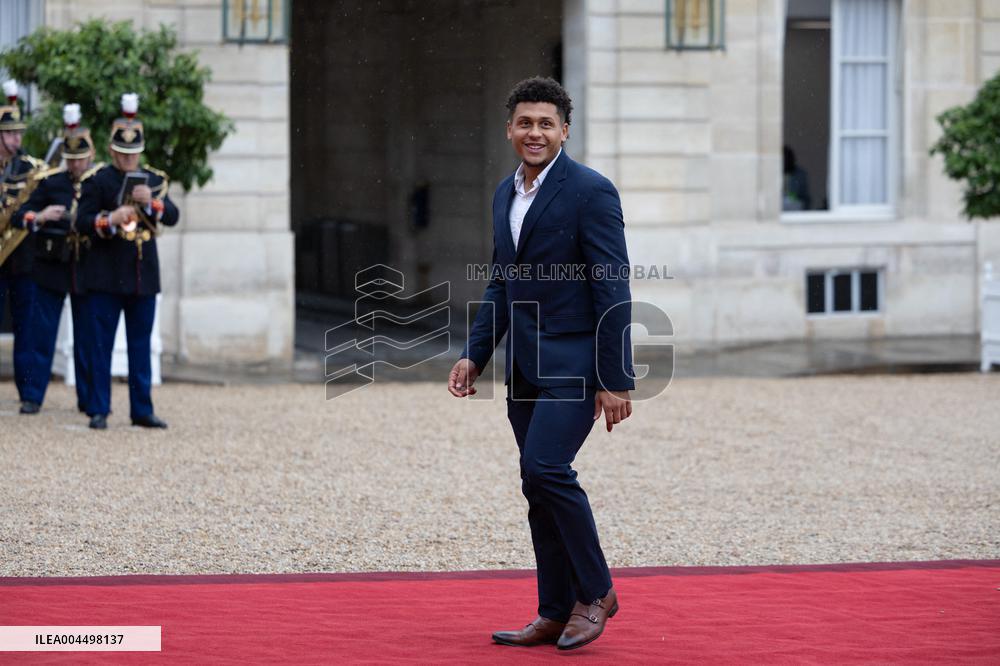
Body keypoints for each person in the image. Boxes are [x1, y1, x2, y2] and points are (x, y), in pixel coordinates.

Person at [447, 76, 635, 651]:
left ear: (565, 131)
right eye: (525, 123)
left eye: (546, 123)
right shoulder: (505, 193)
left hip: (577, 361)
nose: (535, 132)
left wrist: (614, 377)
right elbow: (502, 281)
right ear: (510, 130)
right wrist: (475, 353)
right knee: (536, 482)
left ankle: (597, 592)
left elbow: (613, 286)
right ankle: (554, 609)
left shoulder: (591, 191)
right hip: (524, 368)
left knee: (548, 467)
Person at [76, 93, 178, 430]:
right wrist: (111, 218)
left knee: (140, 346)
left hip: (141, 276)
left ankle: (141, 408)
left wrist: (151, 205)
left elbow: (173, 215)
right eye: (123, 153)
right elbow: (82, 221)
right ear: (112, 151)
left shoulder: (153, 179)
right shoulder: (97, 181)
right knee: (100, 345)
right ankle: (99, 408)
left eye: (133, 154)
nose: (128, 159)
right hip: (105, 276)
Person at [11, 104, 102, 414]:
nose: (76, 166)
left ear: (91, 156)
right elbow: (19, 215)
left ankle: (89, 399)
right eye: (72, 160)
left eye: (81, 159)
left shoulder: (98, 182)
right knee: (41, 334)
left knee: (87, 337)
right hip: (51, 265)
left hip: (86, 267)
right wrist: (41, 215)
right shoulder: (51, 182)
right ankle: (32, 396)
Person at [0, 79, 46, 412]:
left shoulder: (31, 169)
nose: (17, 139)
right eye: (11, 133)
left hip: (22, 258)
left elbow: (38, 201)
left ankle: (29, 394)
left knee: (27, 328)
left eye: (19, 134)